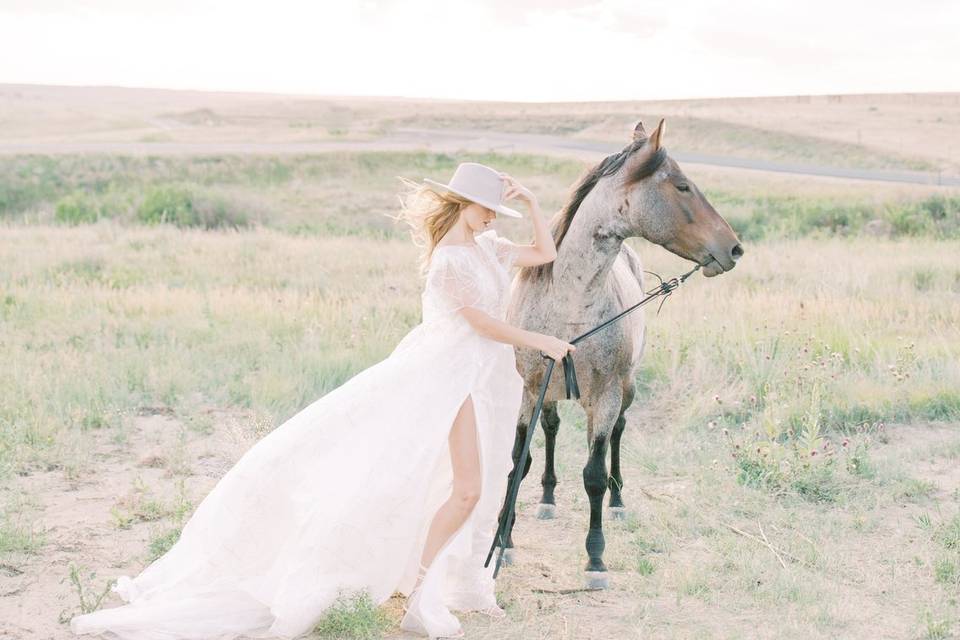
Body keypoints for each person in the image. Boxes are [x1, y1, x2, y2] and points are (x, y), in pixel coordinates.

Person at [68, 161, 576, 640]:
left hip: (480, 376)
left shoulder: (489, 247)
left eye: (495, 210)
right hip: (445, 375)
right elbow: (481, 323)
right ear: (462, 203)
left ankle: (419, 582)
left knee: (459, 485)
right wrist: (543, 342)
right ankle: (411, 590)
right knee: (464, 488)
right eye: (487, 207)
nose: (491, 215)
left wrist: (531, 203)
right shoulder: (449, 261)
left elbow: (545, 254)